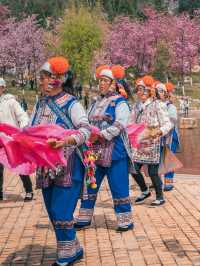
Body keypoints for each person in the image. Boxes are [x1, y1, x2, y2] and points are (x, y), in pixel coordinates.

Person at [29, 57, 91, 266]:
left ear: (58, 79)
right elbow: (31, 130)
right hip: (46, 167)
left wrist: (65, 140)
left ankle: (67, 255)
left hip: (68, 165)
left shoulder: (72, 103)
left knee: (62, 211)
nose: (43, 81)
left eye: (47, 77)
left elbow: (85, 130)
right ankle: (73, 248)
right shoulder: (41, 103)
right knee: (52, 211)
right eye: (43, 77)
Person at [75, 68, 134, 232]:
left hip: (115, 151)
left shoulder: (120, 103)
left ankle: (125, 220)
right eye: (100, 80)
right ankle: (84, 217)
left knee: (118, 185)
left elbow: (120, 124)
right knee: (90, 184)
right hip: (94, 151)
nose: (101, 83)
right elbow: (87, 122)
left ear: (113, 84)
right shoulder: (94, 103)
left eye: (105, 80)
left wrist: (101, 135)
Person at [130, 76, 172, 206]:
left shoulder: (158, 104)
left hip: (153, 142)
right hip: (139, 142)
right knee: (133, 168)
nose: (140, 92)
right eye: (138, 89)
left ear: (149, 91)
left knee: (153, 172)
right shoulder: (136, 106)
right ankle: (144, 190)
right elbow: (130, 123)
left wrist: (159, 131)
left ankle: (160, 196)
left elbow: (168, 124)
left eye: (142, 89)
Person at [0, 78, 33, 201]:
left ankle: (29, 190)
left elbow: (22, 115)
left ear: (3, 88)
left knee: (19, 164)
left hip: (11, 139)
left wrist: (22, 129)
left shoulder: (11, 102)